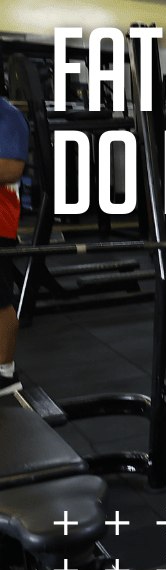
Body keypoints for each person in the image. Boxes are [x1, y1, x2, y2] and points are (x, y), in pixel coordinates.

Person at [0, 96, 29, 397]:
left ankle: (4, 374)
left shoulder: (7, 116)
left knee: (0, 300)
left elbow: (10, 169)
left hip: (0, 220)